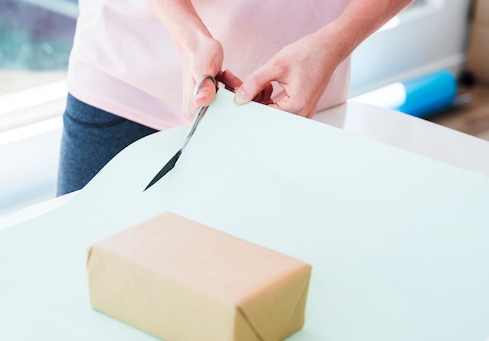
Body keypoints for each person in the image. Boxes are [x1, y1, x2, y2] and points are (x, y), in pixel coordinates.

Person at [57, 0, 412, 196]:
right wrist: (188, 37)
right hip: (127, 67)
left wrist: (335, 43)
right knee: (75, 274)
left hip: (291, 101)